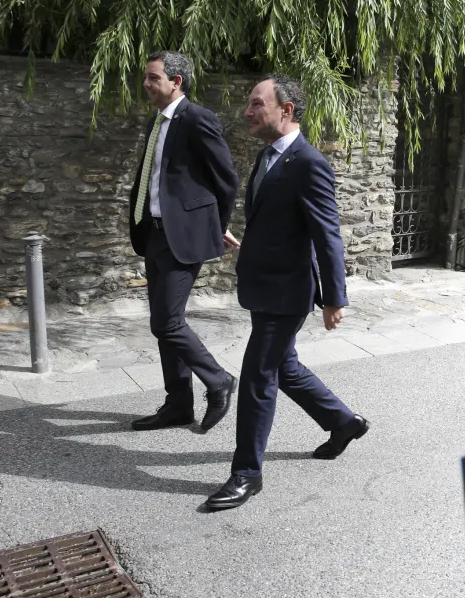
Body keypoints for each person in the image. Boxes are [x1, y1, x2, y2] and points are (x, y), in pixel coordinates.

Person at [205, 73, 369, 510]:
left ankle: (246, 474)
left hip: (288, 291)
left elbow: (327, 234)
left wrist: (335, 298)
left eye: (257, 103)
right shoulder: (267, 156)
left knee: (259, 374)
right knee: (285, 366)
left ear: (286, 110)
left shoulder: (310, 162)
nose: (248, 111)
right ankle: (343, 422)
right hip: (265, 283)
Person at [128, 50, 240, 433]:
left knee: (167, 321)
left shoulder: (198, 119)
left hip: (183, 236)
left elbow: (226, 180)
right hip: (154, 233)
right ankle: (178, 404)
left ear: (176, 81)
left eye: (153, 78)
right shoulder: (156, 123)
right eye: (146, 77)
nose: (146, 84)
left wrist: (216, 225)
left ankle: (219, 379)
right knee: (162, 322)